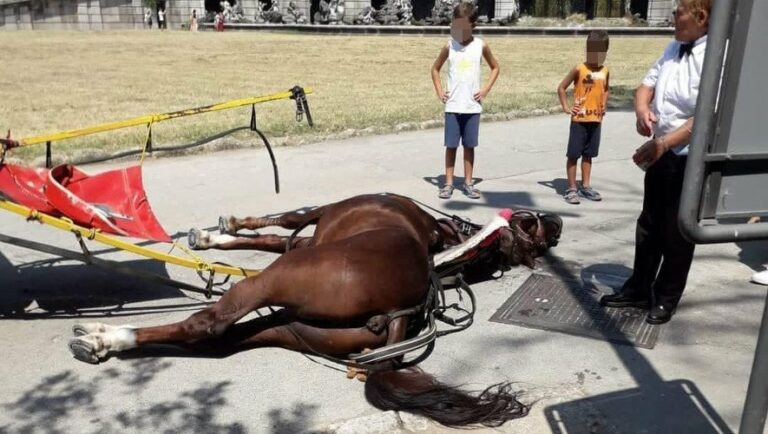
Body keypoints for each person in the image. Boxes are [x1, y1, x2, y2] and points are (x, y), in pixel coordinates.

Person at [600, 0, 711, 325]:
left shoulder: (715, 57)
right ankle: (638, 286)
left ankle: (666, 297)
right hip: (660, 152)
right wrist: (641, 110)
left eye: (680, 11)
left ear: (700, 17)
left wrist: (664, 143)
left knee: (678, 231)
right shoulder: (673, 47)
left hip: (688, 157)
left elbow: (704, 116)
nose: (673, 16)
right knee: (649, 225)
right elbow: (645, 85)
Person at [430, 2, 499, 200]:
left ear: (472, 26)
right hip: (453, 106)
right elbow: (435, 69)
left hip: (472, 107)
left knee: (469, 146)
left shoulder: (480, 46)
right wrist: (440, 91)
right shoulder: (449, 46)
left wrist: (484, 89)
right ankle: (449, 183)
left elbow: (495, 67)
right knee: (451, 146)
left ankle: (468, 183)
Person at [557, 30, 610, 204]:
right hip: (579, 121)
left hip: (596, 120)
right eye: (591, 51)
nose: (594, 56)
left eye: (599, 52)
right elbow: (561, 88)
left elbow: (606, 89)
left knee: (589, 155)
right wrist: (567, 107)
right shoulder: (580, 69)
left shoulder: (605, 71)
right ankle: (572, 188)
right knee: (573, 154)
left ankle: (585, 186)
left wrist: (604, 104)